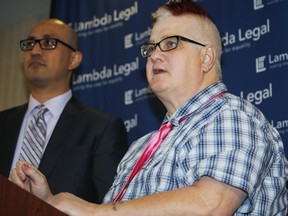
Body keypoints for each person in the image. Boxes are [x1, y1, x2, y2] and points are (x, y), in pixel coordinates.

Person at [10, 1, 288, 215]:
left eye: (170, 44)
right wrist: (47, 204)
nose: (154, 54)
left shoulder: (233, 115)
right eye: (151, 47)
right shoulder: (140, 148)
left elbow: (211, 205)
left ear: (206, 58)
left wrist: (92, 210)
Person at [1, 18, 128, 204]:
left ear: (74, 59)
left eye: (48, 43)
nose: (35, 51)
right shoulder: (3, 123)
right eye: (29, 44)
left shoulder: (101, 128)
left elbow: (110, 206)